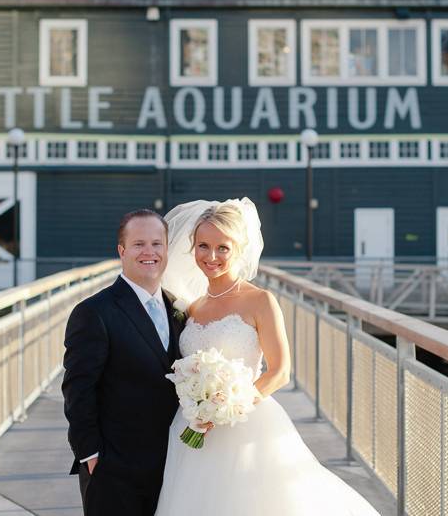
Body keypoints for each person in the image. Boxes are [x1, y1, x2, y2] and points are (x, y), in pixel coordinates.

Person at [155, 198, 381, 516]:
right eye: (203, 245)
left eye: (223, 247)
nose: (211, 256)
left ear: (239, 248)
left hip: (245, 422)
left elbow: (280, 371)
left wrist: (226, 407)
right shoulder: (193, 307)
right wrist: (199, 407)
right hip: (194, 428)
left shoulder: (260, 301)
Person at [62, 209, 185, 516]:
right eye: (139, 244)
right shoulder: (93, 312)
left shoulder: (179, 309)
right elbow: (78, 390)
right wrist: (90, 454)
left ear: (167, 250)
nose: (149, 252)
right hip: (114, 469)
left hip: (173, 465)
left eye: (157, 244)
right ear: (121, 251)